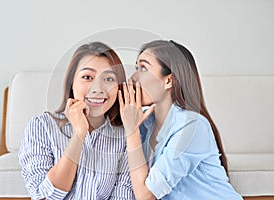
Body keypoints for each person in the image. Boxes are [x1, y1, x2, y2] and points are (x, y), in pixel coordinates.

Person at [118, 40, 243, 199]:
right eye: (136, 68)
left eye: (143, 68)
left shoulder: (192, 126)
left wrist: (132, 131)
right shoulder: (144, 120)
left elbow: (146, 196)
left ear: (168, 81)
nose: (133, 77)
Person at [19, 42, 135, 200]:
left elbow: (123, 195)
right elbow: (43, 197)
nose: (98, 88)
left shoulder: (125, 136)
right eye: (87, 77)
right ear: (71, 83)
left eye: (108, 79)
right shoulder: (41, 126)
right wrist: (79, 135)